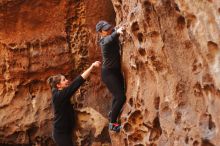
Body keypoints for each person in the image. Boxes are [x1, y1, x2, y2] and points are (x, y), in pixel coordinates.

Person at [47, 61, 101, 146]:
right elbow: (77, 82)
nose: (67, 80)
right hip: (61, 134)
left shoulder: (58, 93)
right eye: (64, 80)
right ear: (58, 85)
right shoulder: (60, 95)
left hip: (65, 132)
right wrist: (91, 67)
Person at [96, 20, 126, 132]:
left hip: (116, 72)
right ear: (100, 32)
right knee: (121, 97)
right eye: (106, 29)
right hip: (108, 73)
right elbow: (110, 39)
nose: (109, 30)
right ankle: (112, 124)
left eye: (109, 28)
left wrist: (119, 28)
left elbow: (114, 31)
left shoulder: (111, 33)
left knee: (117, 95)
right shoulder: (103, 41)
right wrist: (117, 32)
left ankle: (112, 113)